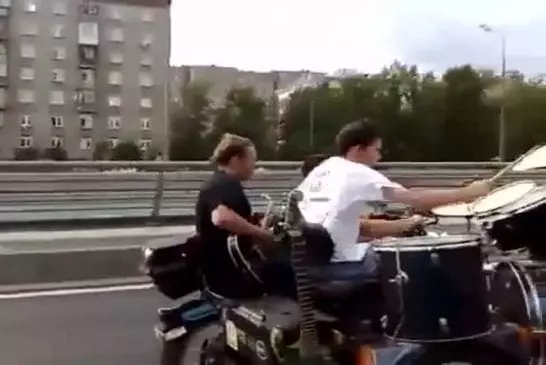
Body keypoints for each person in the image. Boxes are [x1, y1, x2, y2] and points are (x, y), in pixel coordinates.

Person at [297, 120, 492, 282]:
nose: (379, 157)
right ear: (359, 148)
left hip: (310, 262)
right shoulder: (357, 172)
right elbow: (415, 199)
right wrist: (467, 193)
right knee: (418, 260)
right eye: (377, 150)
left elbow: (357, 227)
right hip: (342, 263)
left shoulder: (324, 169)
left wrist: (404, 224)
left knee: (387, 244)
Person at [195, 133, 293, 298]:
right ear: (235, 160)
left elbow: (233, 227)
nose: (253, 165)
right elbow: (221, 218)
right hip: (231, 274)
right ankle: (303, 323)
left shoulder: (219, 182)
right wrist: (262, 234)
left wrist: (258, 225)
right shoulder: (223, 184)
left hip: (223, 271)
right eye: (252, 160)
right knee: (293, 274)